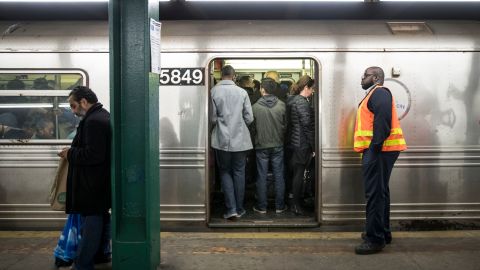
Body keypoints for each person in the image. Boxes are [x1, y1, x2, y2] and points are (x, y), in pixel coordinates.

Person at [354, 67, 407, 255]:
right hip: (380, 151)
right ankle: (383, 232)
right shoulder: (374, 94)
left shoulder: (380, 93)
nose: (362, 77)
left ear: (376, 77)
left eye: (365, 75)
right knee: (381, 191)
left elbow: (383, 122)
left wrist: (374, 148)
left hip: (379, 151)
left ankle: (374, 239)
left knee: (374, 194)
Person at [57, 86, 111, 269]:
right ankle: (101, 255)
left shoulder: (93, 121)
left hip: (91, 184)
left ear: (84, 102)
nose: (72, 111)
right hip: (98, 183)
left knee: (91, 225)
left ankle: (83, 264)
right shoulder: (101, 115)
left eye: (73, 106)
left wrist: (70, 153)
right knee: (101, 218)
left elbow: (94, 154)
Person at [211, 65, 254, 219]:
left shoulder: (214, 91)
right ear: (234, 76)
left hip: (221, 140)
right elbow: (249, 117)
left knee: (225, 172)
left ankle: (231, 209)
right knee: (239, 172)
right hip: (241, 140)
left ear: (222, 75)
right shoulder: (242, 92)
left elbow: (212, 118)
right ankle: (240, 208)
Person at [252, 78, 288, 214]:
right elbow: (286, 126)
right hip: (278, 144)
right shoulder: (282, 105)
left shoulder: (255, 107)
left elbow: (252, 127)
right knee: (279, 175)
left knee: (261, 175)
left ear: (262, 90)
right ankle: (280, 206)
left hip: (261, 145)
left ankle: (262, 207)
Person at [286, 75, 315, 216]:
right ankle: (296, 204)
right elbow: (307, 126)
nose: (313, 91)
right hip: (301, 144)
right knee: (299, 174)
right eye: (312, 89)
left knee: (296, 173)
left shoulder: (292, 100)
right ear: (306, 88)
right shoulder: (302, 103)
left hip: (295, 142)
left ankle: (295, 201)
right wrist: (313, 146)